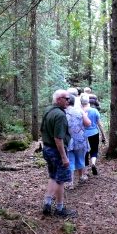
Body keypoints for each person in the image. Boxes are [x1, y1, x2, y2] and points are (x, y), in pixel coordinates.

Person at [41, 89, 77, 218]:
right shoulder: (60, 115)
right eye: (66, 98)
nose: (69, 100)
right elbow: (58, 138)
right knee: (60, 180)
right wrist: (64, 157)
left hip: (47, 149)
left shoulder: (48, 111)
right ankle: (60, 208)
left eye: (69, 99)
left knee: (53, 176)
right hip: (56, 151)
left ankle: (47, 203)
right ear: (58, 100)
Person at [66, 94, 91, 189]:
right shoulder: (80, 111)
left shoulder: (63, 112)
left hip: (68, 139)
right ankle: (81, 177)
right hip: (80, 138)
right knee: (80, 158)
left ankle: (70, 183)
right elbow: (88, 123)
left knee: (70, 160)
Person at [81, 94, 106, 175]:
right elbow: (99, 124)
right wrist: (103, 135)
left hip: (83, 134)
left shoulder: (79, 111)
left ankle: (86, 170)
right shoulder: (94, 111)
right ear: (88, 101)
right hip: (94, 133)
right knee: (94, 150)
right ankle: (93, 164)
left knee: (84, 151)